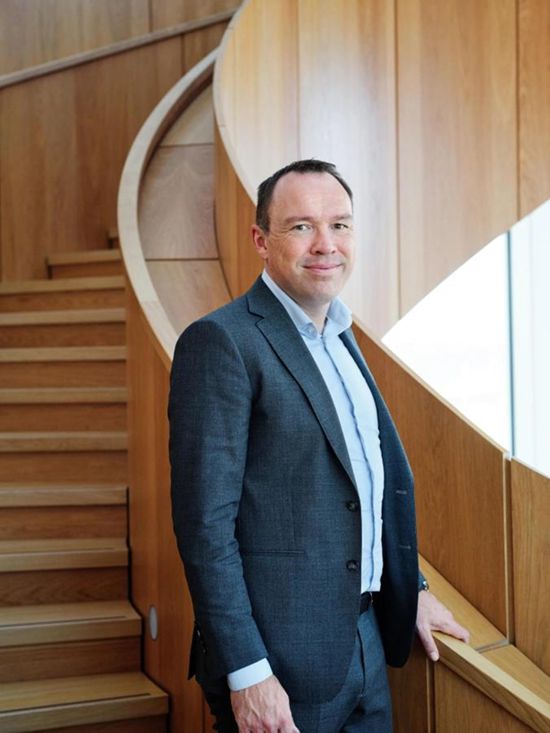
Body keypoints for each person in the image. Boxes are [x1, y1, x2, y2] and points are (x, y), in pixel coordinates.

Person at [169, 159, 469, 733]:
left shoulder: (340, 334)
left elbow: (364, 485)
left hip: (367, 640)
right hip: (277, 667)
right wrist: (247, 673)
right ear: (261, 240)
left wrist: (412, 589)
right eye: (301, 226)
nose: (325, 244)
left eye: (340, 225)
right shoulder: (222, 343)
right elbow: (204, 527)